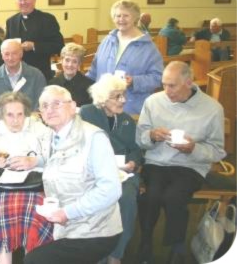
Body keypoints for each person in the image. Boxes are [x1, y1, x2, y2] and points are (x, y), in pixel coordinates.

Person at [136, 61, 226, 264]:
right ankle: (146, 241)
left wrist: (193, 148)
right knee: (151, 196)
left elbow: (217, 151)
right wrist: (151, 135)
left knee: (174, 197)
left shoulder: (212, 108)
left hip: (190, 165)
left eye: (172, 85)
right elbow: (139, 137)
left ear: (188, 82)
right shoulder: (153, 101)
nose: (167, 91)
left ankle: (176, 247)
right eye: (164, 84)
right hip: (157, 162)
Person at [24, 85, 122, 264]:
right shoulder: (51, 136)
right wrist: (33, 161)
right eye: (44, 106)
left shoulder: (94, 137)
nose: (50, 109)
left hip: (95, 229)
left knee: (34, 261)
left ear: (72, 106)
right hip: (67, 226)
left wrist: (67, 213)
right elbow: (57, 158)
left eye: (56, 103)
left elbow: (111, 190)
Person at [0, 91, 53, 264]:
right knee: (1, 211)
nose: (15, 120)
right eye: (10, 115)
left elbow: (54, 153)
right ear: (2, 115)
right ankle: (3, 258)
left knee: (38, 211)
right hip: (2, 186)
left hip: (34, 186)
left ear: (26, 113)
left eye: (20, 114)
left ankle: (33, 256)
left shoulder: (38, 128)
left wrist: (35, 160)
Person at [80, 74, 143, 264]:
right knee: (99, 201)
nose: (123, 100)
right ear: (103, 97)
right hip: (93, 172)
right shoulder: (87, 113)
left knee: (127, 199)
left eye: (124, 95)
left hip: (123, 174)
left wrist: (133, 162)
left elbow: (135, 150)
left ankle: (116, 255)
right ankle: (97, 255)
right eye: (117, 96)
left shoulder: (126, 120)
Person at [86, 0, 163, 115]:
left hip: (130, 108)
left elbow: (157, 78)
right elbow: (93, 71)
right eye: (117, 16)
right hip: (102, 106)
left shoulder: (148, 47)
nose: (121, 19)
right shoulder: (107, 41)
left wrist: (134, 81)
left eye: (126, 16)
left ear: (135, 18)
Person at [6, 0, 64, 81]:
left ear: (34, 0)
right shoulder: (11, 21)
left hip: (40, 73)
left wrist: (34, 46)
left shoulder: (47, 19)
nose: (23, 2)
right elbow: (6, 47)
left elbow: (59, 46)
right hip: (16, 75)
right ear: (16, 2)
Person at [0, 39, 46, 110]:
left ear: (21, 54)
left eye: (14, 53)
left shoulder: (36, 76)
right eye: (6, 54)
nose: (10, 58)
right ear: (2, 55)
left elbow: (41, 105)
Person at [48, 43, 94, 107]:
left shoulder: (90, 86)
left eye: (74, 61)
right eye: (67, 60)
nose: (70, 65)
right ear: (61, 60)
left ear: (79, 64)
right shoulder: (52, 84)